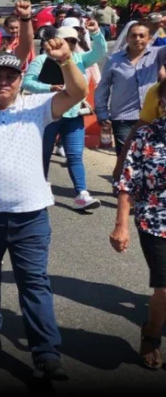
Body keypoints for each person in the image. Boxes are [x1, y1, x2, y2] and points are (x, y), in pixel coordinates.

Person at [0, 39, 89, 381]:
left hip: (30, 214)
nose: (4, 81)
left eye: (11, 76)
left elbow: (77, 92)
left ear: (21, 80)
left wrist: (66, 60)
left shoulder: (35, 106)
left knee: (34, 282)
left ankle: (46, 351)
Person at [23, 19, 108, 209]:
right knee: (43, 153)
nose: (69, 44)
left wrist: (95, 33)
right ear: (56, 40)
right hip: (48, 114)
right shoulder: (42, 60)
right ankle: (39, 190)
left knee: (75, 155)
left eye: (73, 41)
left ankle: (81, 193)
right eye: (65, 40)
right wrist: (49, 87)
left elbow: (100, 52)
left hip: (74, 115)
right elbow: (27, 82)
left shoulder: (79, 59)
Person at [112, 80, 166, 370]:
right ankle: (152, 335)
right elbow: (127, 181)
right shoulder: (147, 134)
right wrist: (121, 224)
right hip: (156, 219)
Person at [96, 22, 166, 156]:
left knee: (148, 157)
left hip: (151, 117)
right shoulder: (114, 60)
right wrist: (102, 113)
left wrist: (161, 25)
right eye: (134, 35)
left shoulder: (157, 55)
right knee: (126, 156)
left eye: (142, 36)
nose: (138, 39)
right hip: (123, 118)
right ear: (127, 38)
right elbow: (103, 87)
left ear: (149, 39)